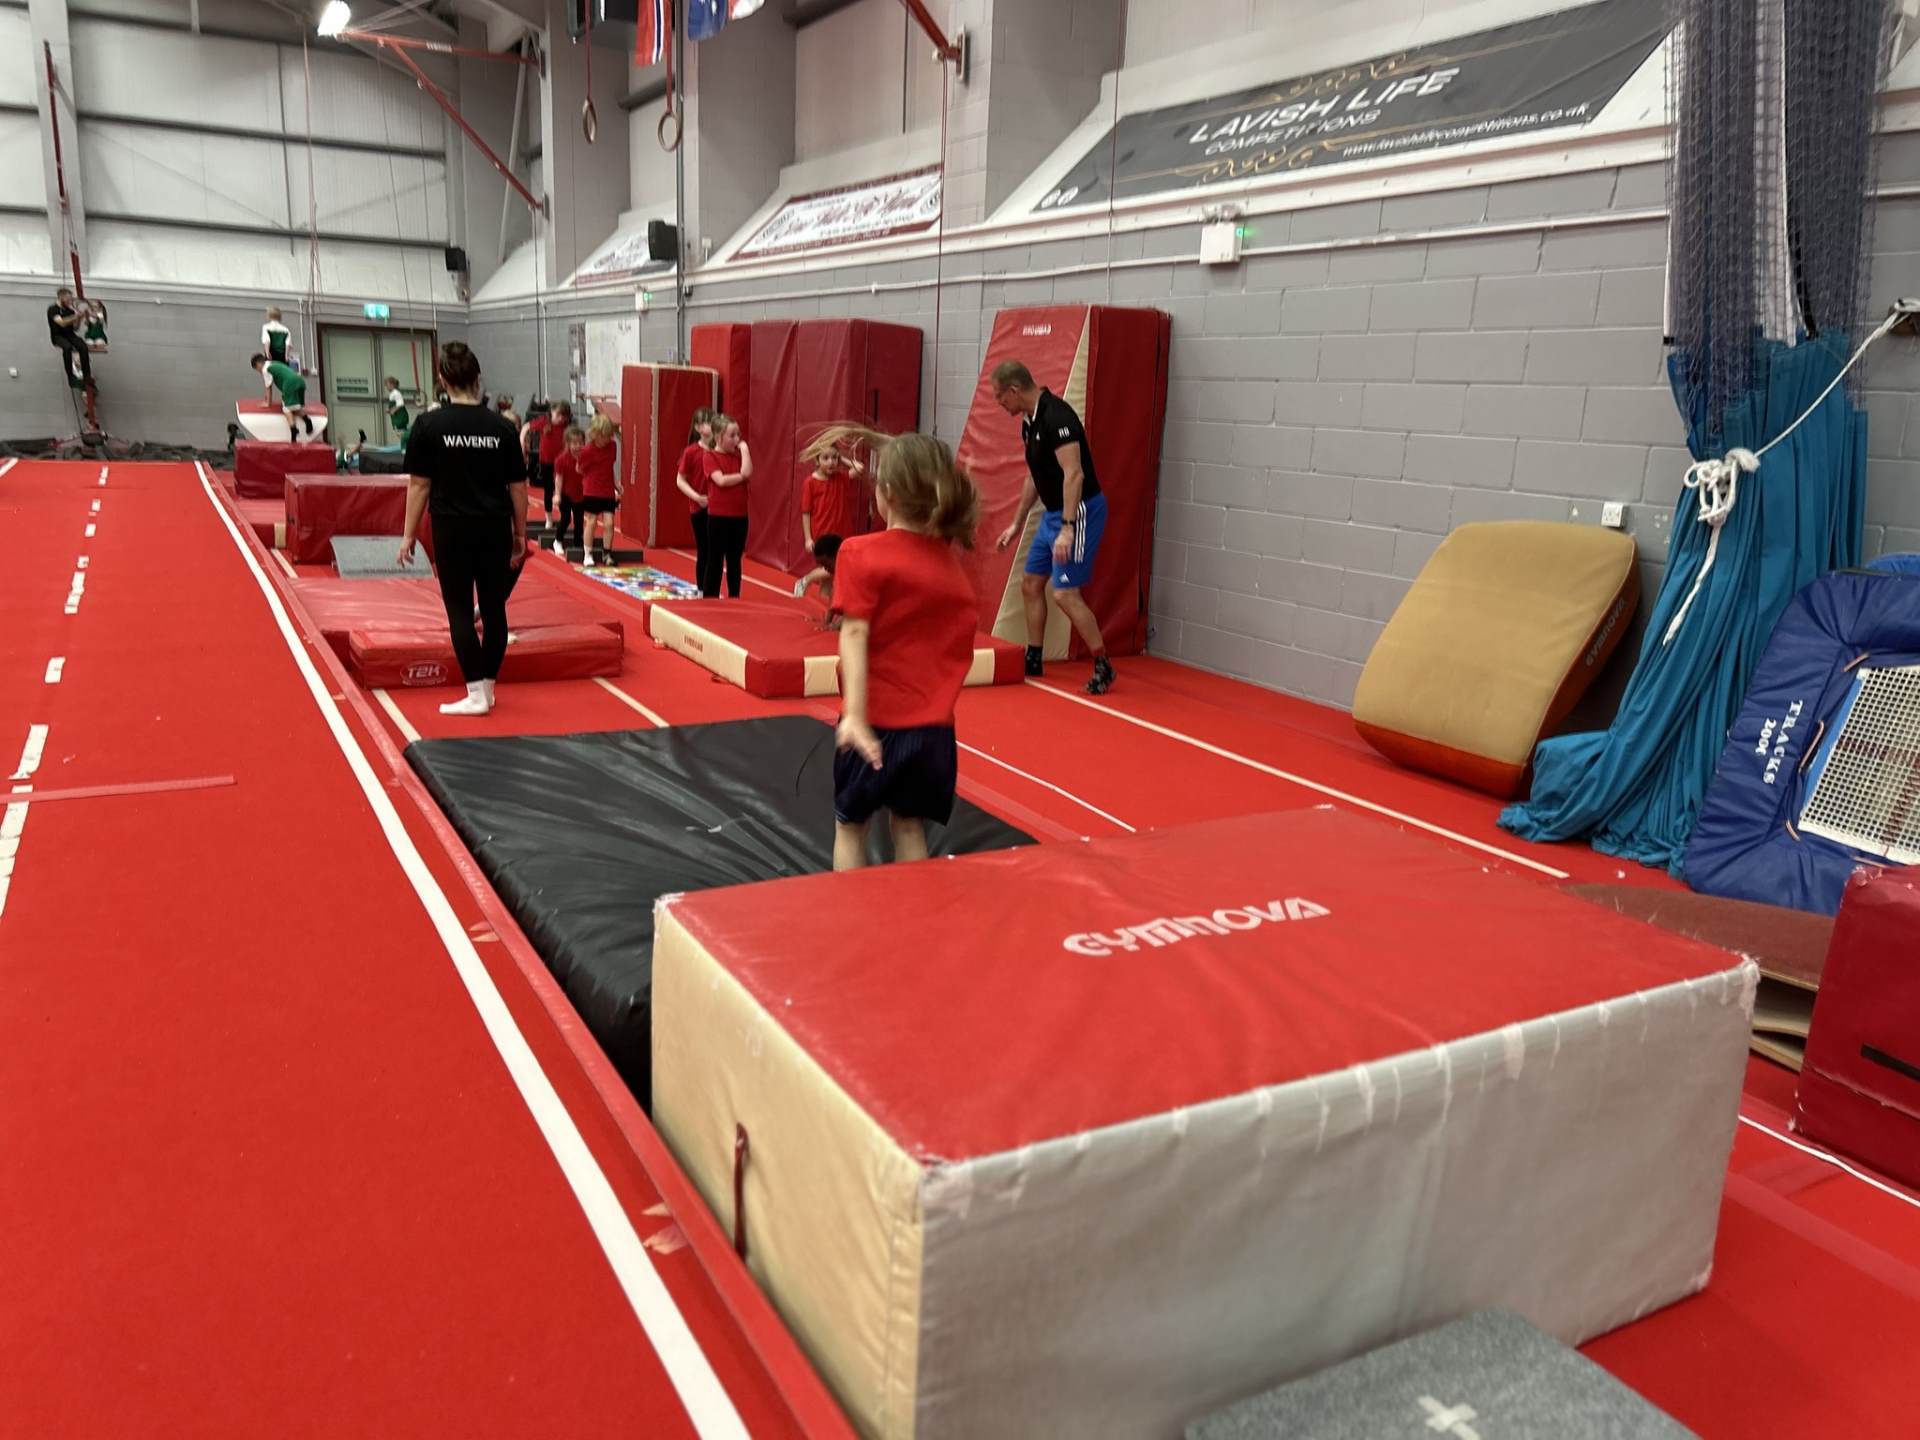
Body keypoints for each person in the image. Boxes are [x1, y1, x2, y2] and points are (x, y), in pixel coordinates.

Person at [800, 425, 981, 873]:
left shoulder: (860, 553)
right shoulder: (951, 570)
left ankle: (850, 910)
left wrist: (856, 717)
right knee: (909, 828)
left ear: (889, 496)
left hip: (876, 722)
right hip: (933, 733)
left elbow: (854, 634)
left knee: (850, 826)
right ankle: (912, 911)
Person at [396, 341, 528, 718]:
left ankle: (475, 693)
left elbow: (419, 486)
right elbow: (518, 488)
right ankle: (487, 687)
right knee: (493, 608)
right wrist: (520, 533)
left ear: (442, 379)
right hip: (494, 527)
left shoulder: (429, 425)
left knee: (458, 608)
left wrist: (408, 535)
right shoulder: (502, 427)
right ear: (477, 379)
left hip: (452, 529)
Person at [991, 360, 1114, 695]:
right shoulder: (1028, 422)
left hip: (1080, 511)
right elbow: (1034, 477)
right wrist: (1016, 524)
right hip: (1052, 513)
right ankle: (1034, 657)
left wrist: (1068, 528)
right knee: (1031, 584)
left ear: (1014, 390)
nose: (999, 404)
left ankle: (1102, 662)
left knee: (1064, 594)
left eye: (1000, 397)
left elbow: (1074, 475)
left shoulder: (1058, 417)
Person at [704, 415, 752, 599]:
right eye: (732, 436)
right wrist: (742, 477)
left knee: (734, 561)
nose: (737, 439)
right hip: (718, 516)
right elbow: (721, 481)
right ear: (718, 438)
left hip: (739, 516)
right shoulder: (710, 456)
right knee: (715, 559)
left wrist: (745, 449)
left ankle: (734, 597)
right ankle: (710, 598)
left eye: (738, 434)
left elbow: (748, 472)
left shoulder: (739, 456)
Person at [801, 442, 869, 555]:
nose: (831, 462)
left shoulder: (840, 478)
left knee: (841, 562)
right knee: (827, 563)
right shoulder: (810, 483)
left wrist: (841, 458)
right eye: (825, 458)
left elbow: (859, 468)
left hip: (842, 535)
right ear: (817, 461)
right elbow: (806, 512)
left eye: (834, 458)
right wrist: (808, 538)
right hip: (822, 535)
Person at [675, 407, 716, 594]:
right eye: (708, 423)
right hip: (699, 508)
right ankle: (701, 590)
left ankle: (711, 589)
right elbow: (680, 480)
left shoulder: (719, 451)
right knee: (704, 550)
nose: (712, 426)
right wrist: (697, 497)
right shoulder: (691, 452)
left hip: (718, 508)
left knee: (716, 551)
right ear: (699, 428)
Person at [578, 413, 622, 566]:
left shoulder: (612, 447)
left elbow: (609, 467)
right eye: (603, 436)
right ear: (595, 434)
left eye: (609, 436)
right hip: (592, 491)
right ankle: (587, 554)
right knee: (591, 522)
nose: (607, 440)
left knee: (609, 523)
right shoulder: (587, 451)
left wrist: (616, 484)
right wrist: (589, 479)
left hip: (607, 491)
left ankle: (607, 553)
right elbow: (579, 469)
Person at [252, 351, 314, 440]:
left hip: (290, 384)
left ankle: (294, 430)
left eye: (257, 369)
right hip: (300, 382)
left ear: (259, 364)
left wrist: (267, 403)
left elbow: (268, 387)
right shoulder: (273, 363)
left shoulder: (266, 369)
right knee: (294, 407)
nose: (259, 372)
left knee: (286, 409)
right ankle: (307, 421)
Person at [537, 400, 572, 533]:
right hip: (546, 462)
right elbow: (526, 427)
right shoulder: (544, 423)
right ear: (551, 412)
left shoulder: (567, 428)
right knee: (548, 490)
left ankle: (564, 518)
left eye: (564, 416)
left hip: (561, 463)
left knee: (562, 491)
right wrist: (522, 440)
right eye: (558, 415)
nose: (560, 418)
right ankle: (549, 518)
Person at [551, 423, 586, 557]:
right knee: (565, 519)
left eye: (580, 443)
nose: (578, 446)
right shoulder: (561, 459)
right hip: (566, 494)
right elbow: (558, 478)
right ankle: (558, 540)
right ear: (567, 444)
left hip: (581, 494)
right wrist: (557, 494)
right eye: (574, 443)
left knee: (579, 521)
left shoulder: (586, 458)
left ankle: (578, 543)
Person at [48, 288, 93, 392]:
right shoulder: (53, 309)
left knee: (83, 347)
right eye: (68, 299)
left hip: (70, 334)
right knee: (67, 347)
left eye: (70, 299)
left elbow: (75, 328)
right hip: (58, 336)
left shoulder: (70, 310)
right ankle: (70, 376)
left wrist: (80, 318)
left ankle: (87, 375)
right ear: (61, 297)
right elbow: (62, 323)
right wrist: (76, 316)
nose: (70, 301)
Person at [794, 533, 843, 622]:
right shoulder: (839, 569)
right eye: (822, 565)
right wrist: (826, 623)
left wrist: (836, 625)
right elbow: (833, 596)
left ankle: (806, 580)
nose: (825, 568)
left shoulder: (852, 571)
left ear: (836, 556)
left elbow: (857, 611)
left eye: (826, 565)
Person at [385, 376, 411, 442]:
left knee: (402, 434)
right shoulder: (393, 393)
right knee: (400, 433)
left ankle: (407, 445)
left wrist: (393, 410)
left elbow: (401, 403)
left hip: (400, 418)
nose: (386, 387)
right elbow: (396, 404)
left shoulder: (396, 393)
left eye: (387, 385)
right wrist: (390, 410)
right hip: (397, 418)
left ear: (392, 384)